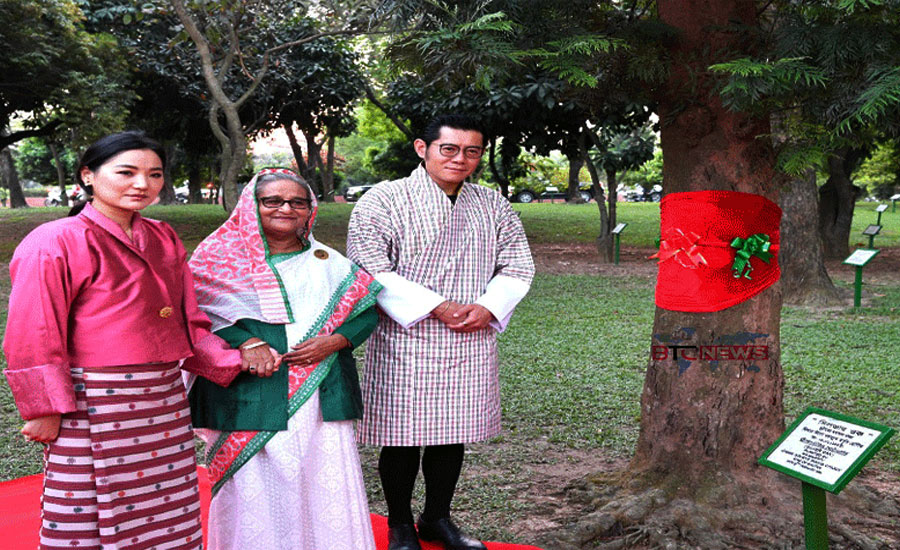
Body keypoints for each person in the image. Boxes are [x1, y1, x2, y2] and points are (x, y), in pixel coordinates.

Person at [2, 131, 263, 550]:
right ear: (88, 175)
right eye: (126, 172)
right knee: (83, 509)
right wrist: (43, 408)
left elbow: (186, 317)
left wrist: (231, 358)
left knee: (166, 505)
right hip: (92, 397)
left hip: (162, 396)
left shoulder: (163, 236)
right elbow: (34, 330)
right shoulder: (54, 240)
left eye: (154, 174)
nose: (143, 184)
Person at [346, 114, 535, 550]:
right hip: (405, 334)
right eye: (448, 149)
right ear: (422, 148)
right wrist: (437, 306)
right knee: (400, 436)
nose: (459, 159)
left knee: (452, 432)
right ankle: (399, 524)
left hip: (470, 332)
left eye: (471, 151)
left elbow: (517, 264)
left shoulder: (492, 204)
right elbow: (369, 266)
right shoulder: (383, 199)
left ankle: (437, 518)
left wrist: (489, 306)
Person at [187, 168, 383, 550]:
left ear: (310, 209)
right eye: (273, 201)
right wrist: (246, 342)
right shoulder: (216, 259)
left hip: (319, 391)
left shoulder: (328, 260)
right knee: (253, 484)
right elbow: (196, 315)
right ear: (251, 205)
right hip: (249, 390)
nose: (286, 209)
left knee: (322, 475)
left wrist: (336, 341)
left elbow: (366, 311)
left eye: (297, 202)